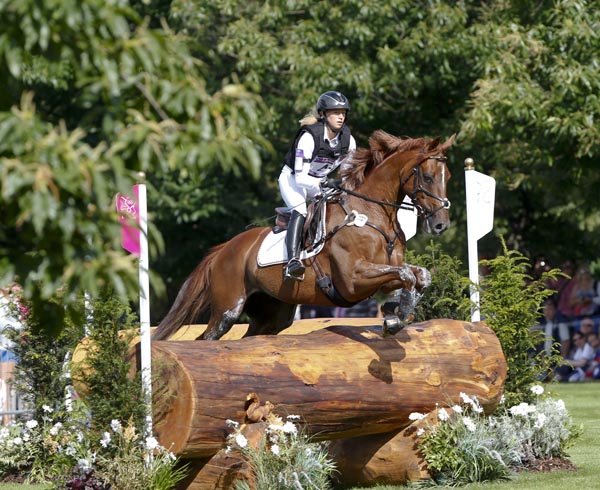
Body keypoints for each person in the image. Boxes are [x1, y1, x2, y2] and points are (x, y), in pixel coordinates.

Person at [278, 91, 357, 281]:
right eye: (335, 112)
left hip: (319, 184)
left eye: (343, 112)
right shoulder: (309, 137)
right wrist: (325, 183)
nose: (341, 116)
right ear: (323, 114)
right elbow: (301, 179)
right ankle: (292, 262)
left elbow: (347, 175)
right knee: (300, 211)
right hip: (293, 180)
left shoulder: (349, 141)